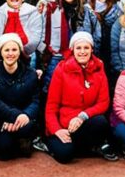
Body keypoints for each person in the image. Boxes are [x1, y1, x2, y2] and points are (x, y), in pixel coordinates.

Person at [43, 31, 117, 162]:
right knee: (65, 155)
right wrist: (57, 130)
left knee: (101, 122)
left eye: (86, 48)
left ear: (92, 49)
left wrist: (82, 116)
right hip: (63, 124)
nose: (82, 52)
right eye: (78, 48)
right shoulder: (61, 69)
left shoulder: (99, 69)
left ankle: (87, 146)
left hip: (85, 122)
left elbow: (103, 102)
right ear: (72, 50)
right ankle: (50, 143)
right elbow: (51, 106)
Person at [0, 33, 40, 160]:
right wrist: (13, 116)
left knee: (29, 126)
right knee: (2, 153)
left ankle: (24, 138)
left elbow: (36, 101)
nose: (10, 53)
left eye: (14, 49)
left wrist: (25, 115)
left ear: (19, 52)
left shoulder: (30, 73)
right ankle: (19, 142)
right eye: (6, 50)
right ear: (0, 52)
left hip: (22, 119)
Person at [41, 0, 98, 86]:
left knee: (77, 83)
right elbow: (44, 29)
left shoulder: (85, 11)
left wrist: (92, 51)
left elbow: (96, 32)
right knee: (51, 82)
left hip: (80, 53)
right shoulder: (52, 9)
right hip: (58, 53)